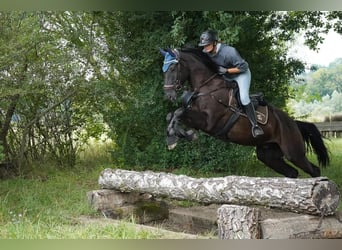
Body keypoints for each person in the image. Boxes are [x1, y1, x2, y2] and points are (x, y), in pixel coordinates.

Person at [198, 30, 264, 137]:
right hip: (226, 76)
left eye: (207, 45)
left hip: (241, 74)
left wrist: (227, 71)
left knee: (243, 98)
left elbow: (244, 67)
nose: (205, 48)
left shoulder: (229, 52)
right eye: (204, 45)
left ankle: (255, 126)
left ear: (215, 43)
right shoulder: (207, 53)